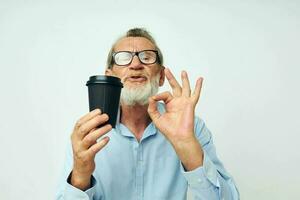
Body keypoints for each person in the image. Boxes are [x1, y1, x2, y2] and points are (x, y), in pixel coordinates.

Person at [56, 28, 239, 200]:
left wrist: (187, 146)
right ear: (110, 76)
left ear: (160, 76)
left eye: (146, 57)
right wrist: (80, 175)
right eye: (123, 58)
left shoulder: (191, 127)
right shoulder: (87, 134)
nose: (136, 64)